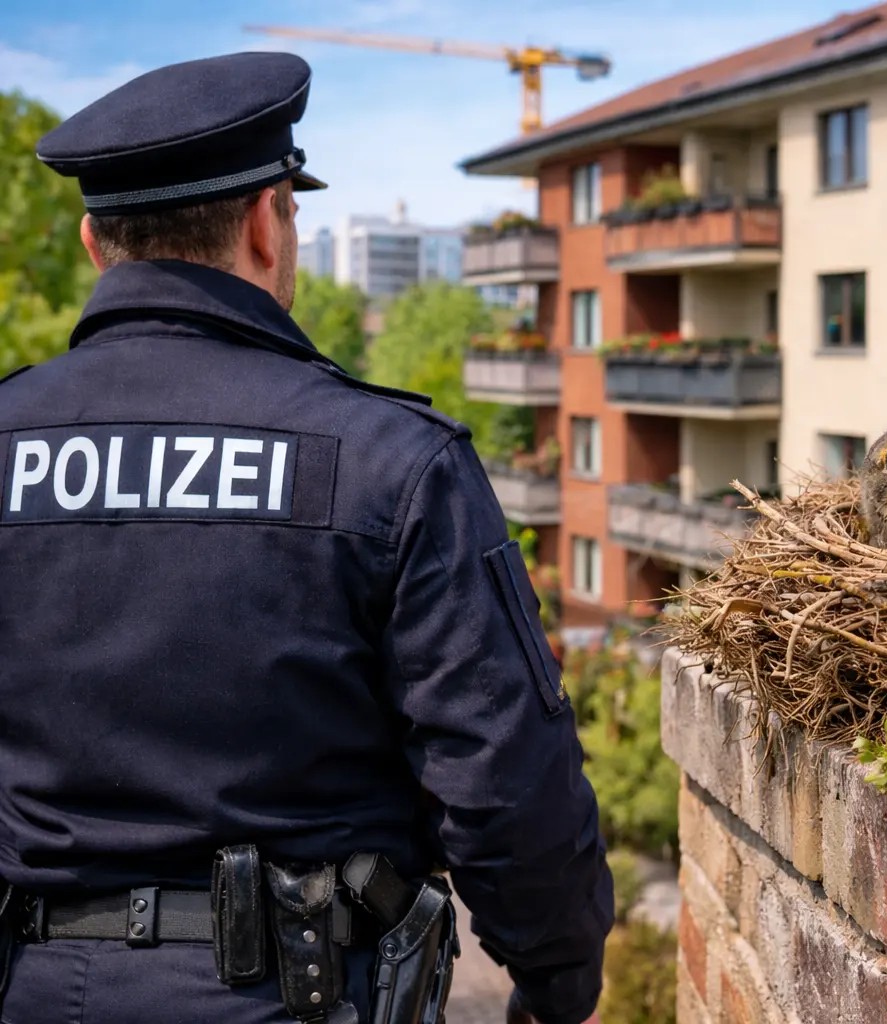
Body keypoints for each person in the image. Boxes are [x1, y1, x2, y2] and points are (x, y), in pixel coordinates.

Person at [0, 52, 612, 1024]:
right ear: (264, 222)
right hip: (299, 998)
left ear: (92, 242)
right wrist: (556, 986)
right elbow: (506, 781)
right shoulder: (390, 460)